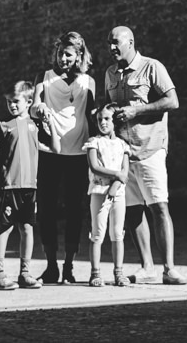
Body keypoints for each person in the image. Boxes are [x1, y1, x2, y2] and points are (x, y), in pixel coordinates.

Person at [100, 25, 186, 285]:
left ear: (131, 42)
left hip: (150, 149)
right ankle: (147, 266)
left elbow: (172, 101)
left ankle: (169, 268)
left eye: (116, 42)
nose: (112, 48)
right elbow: (108, 106)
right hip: (124, 154)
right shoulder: (110, 73)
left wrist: (137, 111)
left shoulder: (152, 67)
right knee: (134, 210)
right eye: (109, 43)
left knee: (159, 206)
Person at [31, 31, 97, 285]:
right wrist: (41, 109)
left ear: (79, 55)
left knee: (74, 209)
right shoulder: (44, 78)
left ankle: (69, 264)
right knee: (46, 208)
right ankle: (50, 265)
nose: (62, 59)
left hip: (78, 152)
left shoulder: (88, 81)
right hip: (49, 151)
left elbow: (91, 114)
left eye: (68, 54)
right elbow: (34, 106)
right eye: (60, 53)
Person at [0, 79, 43, 291]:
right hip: (9, 186)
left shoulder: (35, 126)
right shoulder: (3, 126)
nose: (12, 105)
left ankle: (25, 273)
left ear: (29, 101)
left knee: (27, 228)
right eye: (9, 102)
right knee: (5, 227)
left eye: (16, 101)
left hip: (30, 187)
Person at [83, 102, 130, 287]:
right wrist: (115, 175)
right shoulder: (94, 142)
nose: (103, 122)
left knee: (118, 233)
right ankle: (95, 273)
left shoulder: (123, 145)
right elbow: (95, 167)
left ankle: (119, 272)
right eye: (100, 119)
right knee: (97, 233)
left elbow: (124, 171)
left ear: (114, 121)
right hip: (98, 192)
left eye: (107, 119)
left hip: (118, 194)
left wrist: (115, 185)